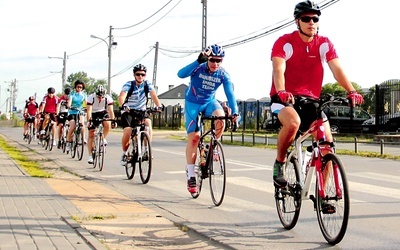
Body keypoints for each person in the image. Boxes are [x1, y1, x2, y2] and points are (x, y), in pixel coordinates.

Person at [269, 0, 364, 187]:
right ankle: (279, 162)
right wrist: (281, 90)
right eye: (306, 18)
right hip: (283, 98)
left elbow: (337, 70)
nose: (311, 22)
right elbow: (278, 69)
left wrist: (351, 90)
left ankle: (325, 194)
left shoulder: (324, 43)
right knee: (293, 122)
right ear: (297, 21)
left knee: (327, 144)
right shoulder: (284, 42)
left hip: (311, 100)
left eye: (315, 18)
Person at [177, 44, 239, 194]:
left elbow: (230, 94)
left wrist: (235, 113)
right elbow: (181, 74)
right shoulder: (199, 67)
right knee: (194, 138)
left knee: (221, 120)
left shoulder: (223, 74)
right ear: (207, 58)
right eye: (212, 60)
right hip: (193, 102)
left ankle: (214, 147)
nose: (215, 64)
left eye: (219, 61)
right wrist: (198, 61)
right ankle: (191, 174)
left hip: (209, 102)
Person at [118, 64, 162, 166]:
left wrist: (158, 106)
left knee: (148, 124)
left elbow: (153, 95)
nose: (140, 76)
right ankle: (124, 154)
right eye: (138, 74)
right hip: (129, 111)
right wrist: (123, 105)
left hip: (141, 111)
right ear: (134, 75)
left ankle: (147, 150)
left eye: (143, 74)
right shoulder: (129, 84)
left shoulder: (147, 84)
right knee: (128, 131)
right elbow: (121, 97)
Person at [86, 85, 116, 164]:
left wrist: (113, 120)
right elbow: (88, 111)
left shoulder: (108, 98)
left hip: (103, 112)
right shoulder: (90, 97)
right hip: (93, 113)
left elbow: (111, 111)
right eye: (98, 96)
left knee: (107, 123)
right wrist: (89, 120)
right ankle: (90, 155)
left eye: (101, 97)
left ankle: (103, 138)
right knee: (91, 134)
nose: (100, 98)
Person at [66, 80, 87, 153]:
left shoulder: (84, 94)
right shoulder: (72, 93)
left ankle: (83, 138)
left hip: (80, 111)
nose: (79, 88)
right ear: (75, 87)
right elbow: (70, 101)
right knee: (72, 126)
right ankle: (68, 142)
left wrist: (87, 107)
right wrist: (69, 105)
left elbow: (86, 103)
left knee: (82, 123)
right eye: (78, 87)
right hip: (72, 111)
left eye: (81, 87)